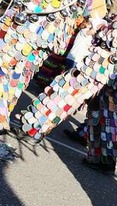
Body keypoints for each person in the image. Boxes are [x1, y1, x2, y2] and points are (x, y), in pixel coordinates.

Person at [18, 0, 117, 174]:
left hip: (103, 62)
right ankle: (103, 159)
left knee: (67, 90)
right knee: (105, 113)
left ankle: (33, 128)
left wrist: (100, 28)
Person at [0, 0, 88, 133]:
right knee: (20, 76)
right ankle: (3, 117)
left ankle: (2, 118)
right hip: (48, 34)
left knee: (7, 68)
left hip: (33, 25)